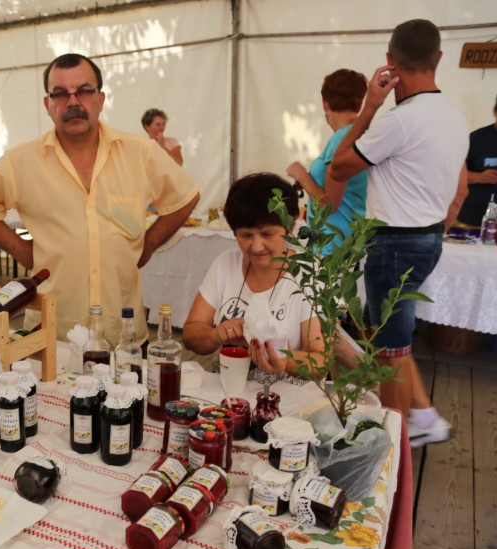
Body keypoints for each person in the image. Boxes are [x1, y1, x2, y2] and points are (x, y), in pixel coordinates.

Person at [0, 53, 199, 344]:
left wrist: (149, 244)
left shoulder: (140, 152)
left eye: (84, 91)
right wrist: (21, 249)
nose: (72, 102)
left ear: (100, 99)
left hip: (123, 336)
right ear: (48, 105)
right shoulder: (21, 161)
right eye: (60, 93)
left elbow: (185, 196)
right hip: (52, 334)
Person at [328, 19, 469, 448]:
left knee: (389, 354)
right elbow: (461, 190)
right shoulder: (454, 116)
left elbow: (339, 167)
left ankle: (390, 447)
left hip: (395, 241)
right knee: (397, 342)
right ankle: (421, 419)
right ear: (439, 58)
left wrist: (369, 107)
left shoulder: (399, 121)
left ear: (390, 60)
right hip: (429, 237)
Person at [183, 173, 323, 376]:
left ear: (291, 224)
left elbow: (320, 363)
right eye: (246, 235)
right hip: (228, 390)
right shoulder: (226, 264)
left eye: (268, 234)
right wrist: (217, 334)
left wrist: (285, 359)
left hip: (288, 393)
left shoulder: (310, 273)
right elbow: (190, 335)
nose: (257, 247)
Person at [286, 69, 368, 252]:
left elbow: (329, 204)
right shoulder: (357, 135)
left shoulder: (342, 138)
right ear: (360, 103)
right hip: (346, 240)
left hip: (334, 245)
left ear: (325, 103)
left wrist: (301, 174)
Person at [456, 88, 497, 226]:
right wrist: (479, 177)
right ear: (495, 112)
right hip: (470, 218)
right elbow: (454, 174)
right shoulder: (476, 138)